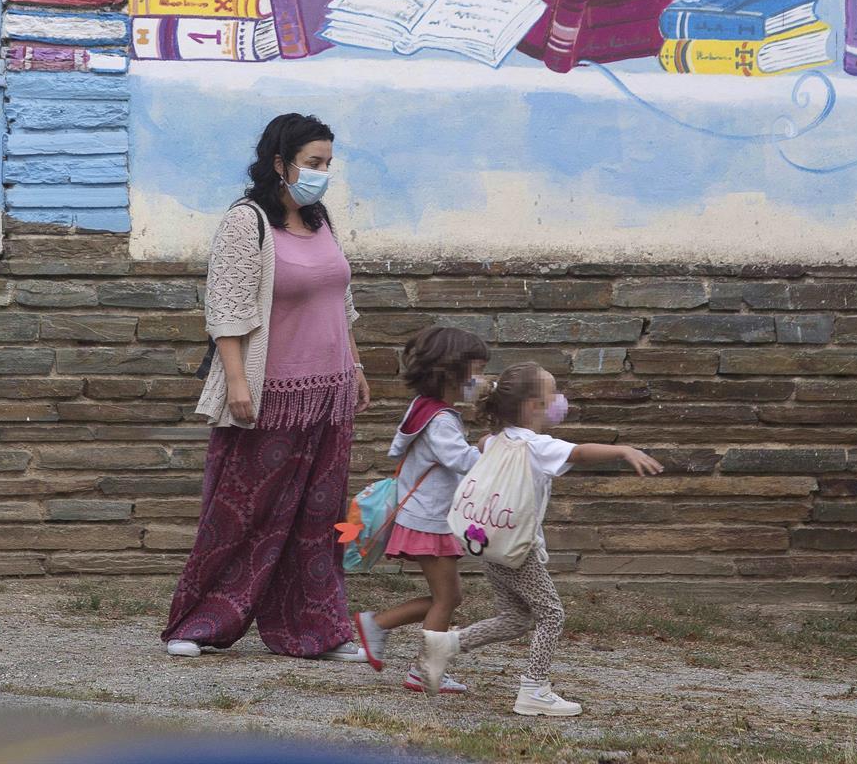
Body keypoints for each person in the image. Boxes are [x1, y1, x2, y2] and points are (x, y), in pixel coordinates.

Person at [162, 113, 370, 663]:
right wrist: (236, 383)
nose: (323, 174)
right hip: (269, 393)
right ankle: (200, 622)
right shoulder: (246, 222)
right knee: (242, 512)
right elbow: (226, 310)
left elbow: (338, 302)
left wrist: (355, 366)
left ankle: (316, 631)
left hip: (328, 394)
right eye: (313, 164)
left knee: (318, 518)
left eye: (328, 164)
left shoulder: (320, 221)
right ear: (280, 164)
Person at [419, 362, 662, 717]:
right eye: (553, 395)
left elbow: (483, 444)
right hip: (519, 550)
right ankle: (534, 688)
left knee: (515, 618)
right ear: (534, 406)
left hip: (489, 543)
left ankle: (445, 646)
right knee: (551, 614)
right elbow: (578, 453)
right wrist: (622, 451)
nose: (559, 401)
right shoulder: (536, 445)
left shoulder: (495, 439)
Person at [353, 326, 491, 693]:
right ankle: (426, 671)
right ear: (452, 372)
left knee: (449, 597)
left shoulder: (426, 409)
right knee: (447, 599)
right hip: (430, 520)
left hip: (427, 516)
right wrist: (496, 449)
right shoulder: (441, 419)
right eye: (476, 371)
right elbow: (461, 459)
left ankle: (378, 624)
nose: (481, 379)